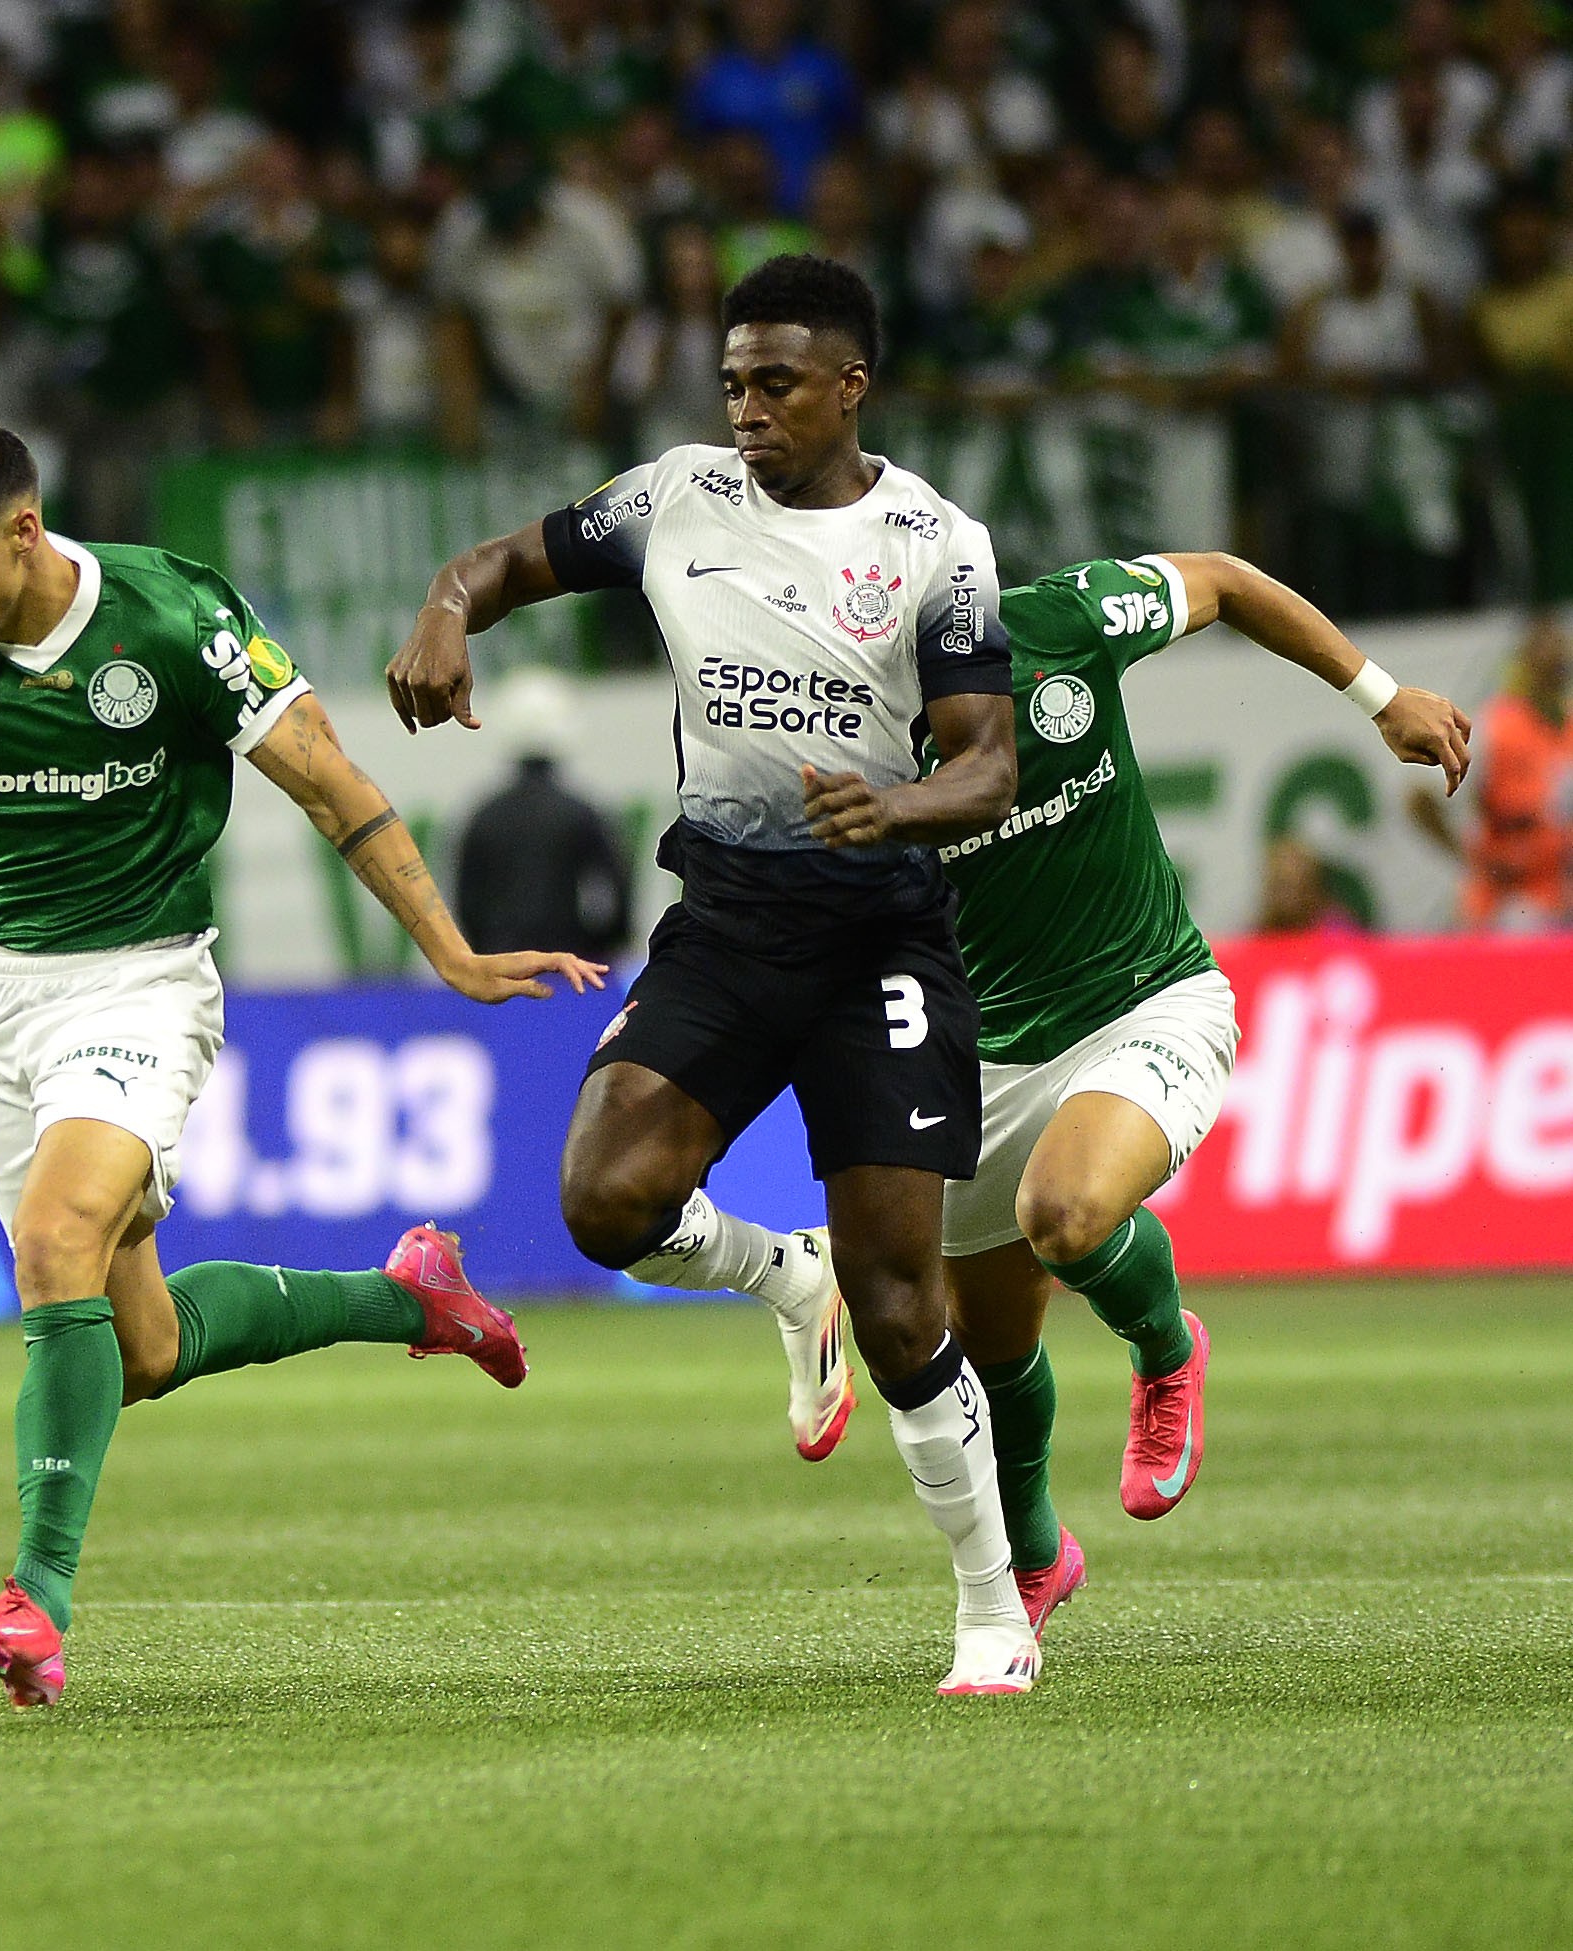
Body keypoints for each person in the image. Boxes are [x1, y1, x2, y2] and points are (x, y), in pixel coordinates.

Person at [0, 416, 599, 1710]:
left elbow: (330, 784)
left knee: (51, 1235)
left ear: (21, 531)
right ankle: (408, 1296)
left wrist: (453, 952)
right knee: (137, 1346)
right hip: (2, 1000)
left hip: (139, 980)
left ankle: (35, 1600)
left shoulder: (170, 616)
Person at [388, 256, 1035, 1697]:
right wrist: (445, 602)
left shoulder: (933, 541)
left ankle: (990, 1607)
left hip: (879, 938)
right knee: (602, 1199)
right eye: (731, 380)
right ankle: (770, 1271)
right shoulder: (673, 495)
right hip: (728, 923)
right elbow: (506, 560)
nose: (744, 407)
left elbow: (985, 764)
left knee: (897, 1298)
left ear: (849, 385)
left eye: (776, 382)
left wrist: (897, 806)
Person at [638, 550, 1468, 1632]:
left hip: (1147, 1001)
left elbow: (1224, 579)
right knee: (978, 1349)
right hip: (979, 1055)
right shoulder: (839, 740)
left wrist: (1382, 695)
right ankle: (1037, 1554)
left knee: (1066, 1215)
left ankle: (1168, 1350)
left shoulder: (1066, 620)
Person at [1409, 612, 1572, 929]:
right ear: (1524, 666)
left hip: (1558, 894)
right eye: (1546, 663)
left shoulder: (1566, 728)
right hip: (1504, 904)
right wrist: (1472, 859)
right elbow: (1418, 797)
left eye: (1559, 664)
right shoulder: (1495, 728)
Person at [453, 752, 631, 961]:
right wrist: (603, 944)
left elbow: (467, 895)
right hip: (569, 955)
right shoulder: (579, 812)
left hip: (501, 953)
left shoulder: (486, 815)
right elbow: (614, 883)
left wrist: (481, 947)